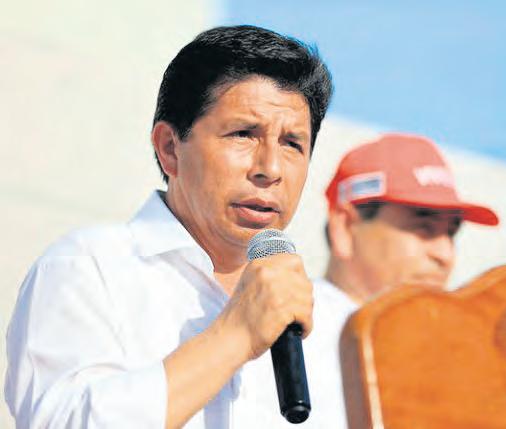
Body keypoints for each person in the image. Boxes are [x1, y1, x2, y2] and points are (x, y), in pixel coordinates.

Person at [5, 25, 333, 428]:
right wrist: (234, 336)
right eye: (244, 134)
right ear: (170, 148)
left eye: (292, 143)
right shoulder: (88, 267)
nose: (270, 168)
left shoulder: (322, 316)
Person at [304, 132, 499, 427]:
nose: (445, 254)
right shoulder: (286, 333)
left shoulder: (461, 358)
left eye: (451, 233)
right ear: (345, 227)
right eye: (424, 227)